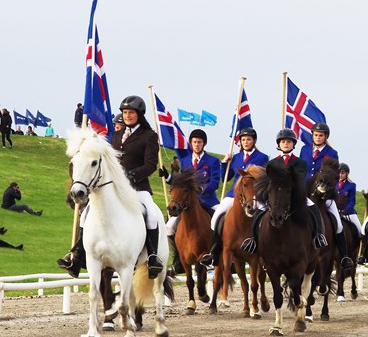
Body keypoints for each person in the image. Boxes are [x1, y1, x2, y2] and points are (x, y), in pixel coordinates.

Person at [58, 95, 166, 279]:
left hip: (138, 188)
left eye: (131, 112)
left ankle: (153, 256)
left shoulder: (149, 136)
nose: (127, 116)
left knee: (152, 214)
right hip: (114, 188)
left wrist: (132, 174)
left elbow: (150, 165)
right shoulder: (115, 135)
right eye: (124, 113)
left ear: (139, 114)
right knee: (86, 213)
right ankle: (77, 254)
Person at [240, 128, 329, 256]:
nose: (285, 144)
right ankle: (253, 239)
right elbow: (267, 180)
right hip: (275, 196)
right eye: (283, 142)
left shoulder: (300, 163)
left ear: (293, 144)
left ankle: (318, 236)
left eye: (288, 142)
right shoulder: (272, 163)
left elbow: (300, 179)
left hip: (294, 195)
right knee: (259, 210)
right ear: (279, 144)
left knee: (313, 207)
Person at [200, 127, 268, 267]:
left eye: (248, 139)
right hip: (234, 194)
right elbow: (227, 176)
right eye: (243, 140)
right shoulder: (236, 157)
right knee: (216, 217)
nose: (246, 142)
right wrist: (225, 163)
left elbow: (264, 177)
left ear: (253, 141)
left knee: (265, 217)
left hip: (255, 195)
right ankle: (214, 252)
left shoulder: (262, 157)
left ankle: (265, 251)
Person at [161, 128, 221, 274]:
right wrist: (168, 177)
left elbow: (215, 182)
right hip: (188, 202)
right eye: (194, 142)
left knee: (221, 221)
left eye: (199, 142)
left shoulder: (213, 161)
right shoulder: (185, 161)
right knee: (169, 227)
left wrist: (201, 188)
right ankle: (178, 259)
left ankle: (215, 255)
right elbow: (180, 182)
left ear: (204, 144)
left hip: (207, 199)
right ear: (190, 143)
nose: (197, 144)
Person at [298, 122, 353, 270]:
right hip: (305, 192)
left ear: (325, 136)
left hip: (325, 195)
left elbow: (334, 175)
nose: (318, 137)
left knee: (338, 224)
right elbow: (300, 170)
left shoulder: (332, 153)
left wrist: (326, 190)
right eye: (315, 135)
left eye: (321, 135)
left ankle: (344, 256)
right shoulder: (304, 150)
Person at [337, 162, 363, 249]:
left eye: (343, 173)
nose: (340, 175)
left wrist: (345, 210)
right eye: (339, 172)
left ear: (347, 173)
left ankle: (360, 251)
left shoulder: (351, 185)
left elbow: (352, 201)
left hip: (348, 212)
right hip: (335, 211)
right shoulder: (333, 183)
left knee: (360, 231)